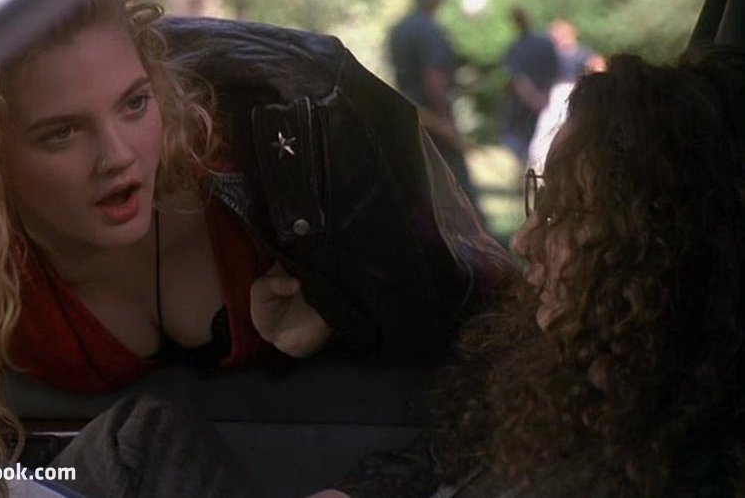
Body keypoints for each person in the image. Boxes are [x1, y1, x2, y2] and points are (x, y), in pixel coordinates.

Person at [0, 0, 508, 477]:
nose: (118, 155)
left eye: (134, 103)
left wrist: (344, 309)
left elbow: (482, 321)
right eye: (61, 133)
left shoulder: (271, 174)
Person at [312, 46, 745, 497]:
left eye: (568, 213)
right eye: (543, 200)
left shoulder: (685, 470)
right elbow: (444, 460)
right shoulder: (573, 379)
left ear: (670, 244)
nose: (523, 241)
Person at [388, 0, 483, 222]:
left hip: (407, 114)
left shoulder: (399, 28)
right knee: (456, 187)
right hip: (431, 118)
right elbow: (434, 76)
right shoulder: (430, 30)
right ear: (439, 0)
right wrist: (444, 119)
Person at [527, 19, 606, 171]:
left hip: (571, 93)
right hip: (556, 94)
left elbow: (599, 66)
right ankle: (540, 168)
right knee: (546, 132)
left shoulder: (581, 53)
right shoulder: (553, 54)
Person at [499, 6, 559, 164]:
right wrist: (543, 99)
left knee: (520, 143)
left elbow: (518, 79)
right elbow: (552, 73)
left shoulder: (518, 47)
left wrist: (534, 99)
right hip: (539, 102)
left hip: (523, 104)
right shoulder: (546, 44)